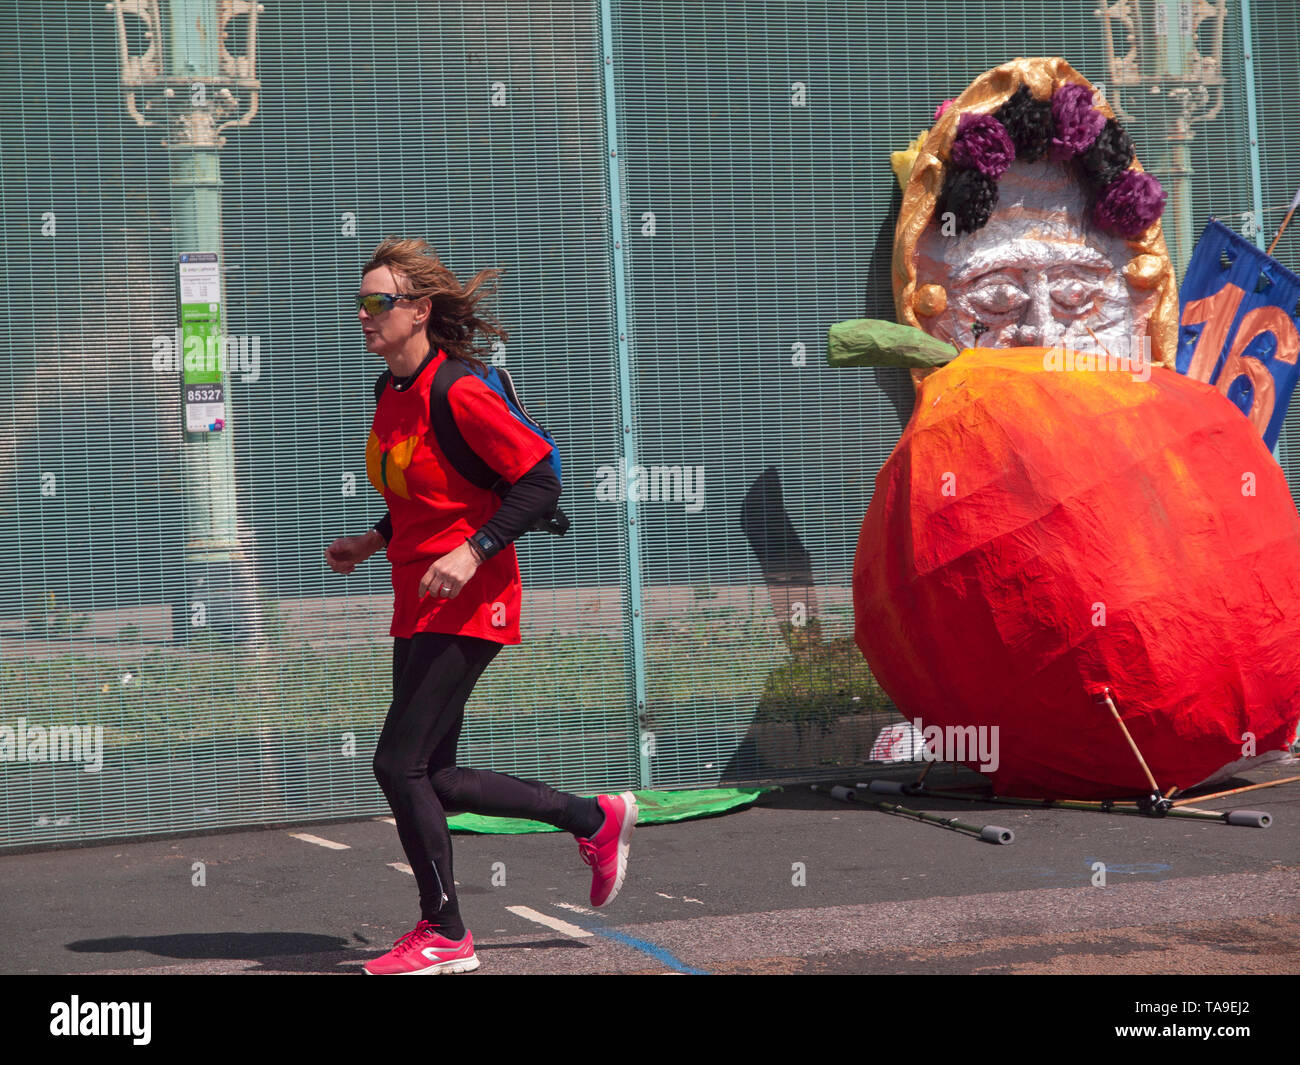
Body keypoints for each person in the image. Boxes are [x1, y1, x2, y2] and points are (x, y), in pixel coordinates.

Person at [325, 236, 637, 976]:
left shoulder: (457, 389)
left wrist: (472, 552)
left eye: (380, 302)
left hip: (472, 597)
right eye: (360, 303)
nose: (365, 315)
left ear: (420, 312)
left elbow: (537, 483)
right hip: (417, 596)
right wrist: (373, 542)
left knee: (395, 764)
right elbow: (427, 496)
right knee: (432, 773)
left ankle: (445, 931)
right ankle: (592, 817)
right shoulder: (390, 394)